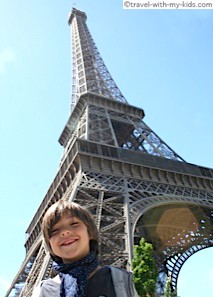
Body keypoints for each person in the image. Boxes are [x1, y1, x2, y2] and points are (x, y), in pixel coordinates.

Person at [32, 199, 139, 297]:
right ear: (50, 246)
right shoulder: (44, 291)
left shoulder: (120, 280)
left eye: (74, 224)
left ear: (90, 233)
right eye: (54, 231)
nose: (65, 232)